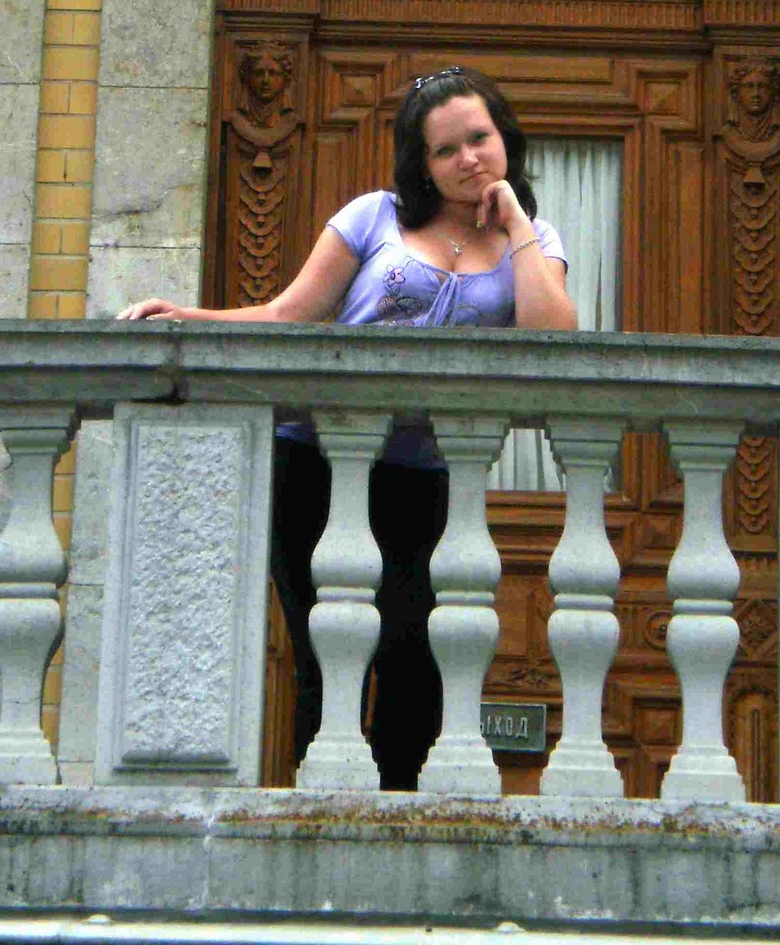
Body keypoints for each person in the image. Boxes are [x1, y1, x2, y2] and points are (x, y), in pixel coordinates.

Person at [117, 63, 577, 788]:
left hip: (429, 475)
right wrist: (186, 319)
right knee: (326, 652)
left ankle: (398, 813)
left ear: (505, 139)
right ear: (422, 163)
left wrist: (515, 219)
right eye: (445, 150)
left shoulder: (535, 238)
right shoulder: (375, 216)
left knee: (416, 653)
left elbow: (553, 337)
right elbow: (286, 316)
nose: (468, 160)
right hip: (317, 464)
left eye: (479, 139)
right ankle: (318, 807)